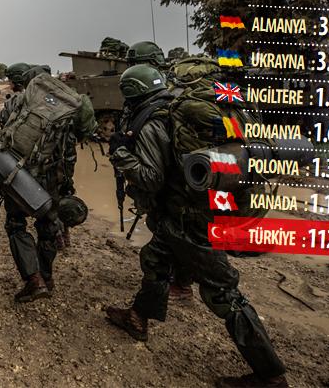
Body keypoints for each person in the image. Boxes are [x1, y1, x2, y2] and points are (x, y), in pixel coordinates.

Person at [105, 65, 287, 387]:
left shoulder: (153, 121)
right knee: (156, 258)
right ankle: (137, 318)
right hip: (207, 208)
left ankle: (270, 376)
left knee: (222, 292)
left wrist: (120, 153)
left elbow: (151, 178)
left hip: (193, 217)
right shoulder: (190, 108)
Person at [0, 63, 95, 303]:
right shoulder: (70, 106)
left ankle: (34, 280)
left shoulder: (17, 101)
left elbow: (4, 127)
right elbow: (81, 136)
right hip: (53, 177)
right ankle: (47, 278)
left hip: (20, 174)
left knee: (16, 224)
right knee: (48, 227)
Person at [123, 41, 194, 300]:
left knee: (175, 233)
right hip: (181, 175)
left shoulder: (163, 93)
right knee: (173, 230)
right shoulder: (175, 89)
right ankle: (175, 280)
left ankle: (179, 283)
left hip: (170, 178)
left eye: (136, 64)